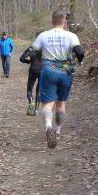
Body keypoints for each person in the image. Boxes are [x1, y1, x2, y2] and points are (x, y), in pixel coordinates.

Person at [31, 10, 85, 148]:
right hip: (65, 71)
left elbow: (31, 52)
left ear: (52, 21)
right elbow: (79, 51)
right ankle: (58, 131)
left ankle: (48, 126)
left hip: (48, 70)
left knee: (47, 104)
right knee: (61, 104)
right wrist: (80, 60)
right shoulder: (71, 36)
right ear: (65, 21)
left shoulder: (43, 35)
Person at [19, 31, 43, 115]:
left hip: (33, 69)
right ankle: (36, 110)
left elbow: (21, 58)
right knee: (39, 90)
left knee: (29, 90)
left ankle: (31, 103)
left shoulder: (31, 48)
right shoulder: (47, 48)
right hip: (43, 70)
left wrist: (28, 61)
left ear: (36, 37)